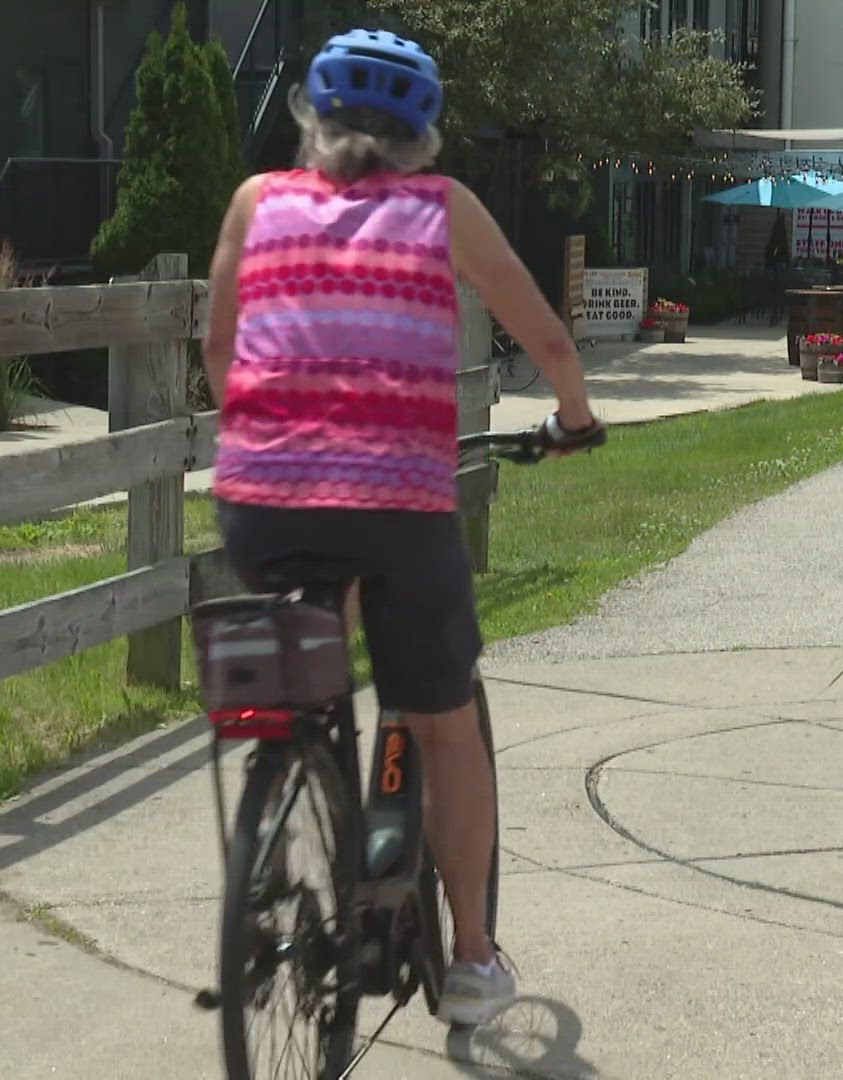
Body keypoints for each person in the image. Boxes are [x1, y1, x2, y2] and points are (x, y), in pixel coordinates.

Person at [202, 28, 602, 1029]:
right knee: (443, 721)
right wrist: (575, 419)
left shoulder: (257, 203)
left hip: (259, 500)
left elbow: (218, 347)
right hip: (397, 507)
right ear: (422, 135)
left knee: (312, 658)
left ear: (311, 116)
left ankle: (302, 779)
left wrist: (270, 437)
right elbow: (546, 335)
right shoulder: (443, 209)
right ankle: (470, 960)